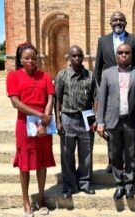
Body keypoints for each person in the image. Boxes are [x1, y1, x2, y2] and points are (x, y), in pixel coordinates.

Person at [6, 42, 55, 217]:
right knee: (25, 164)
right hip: (24, 123)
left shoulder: (45, 76)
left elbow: (50, 98)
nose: (30, 61)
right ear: (20, 59)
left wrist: (45, 118)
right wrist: (40, 115)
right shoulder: (13, 76)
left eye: (33, 58)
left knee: (41, 163)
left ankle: (41, 199)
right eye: (27, 58)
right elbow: (15, 102)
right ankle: (26, 200)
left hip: (44, 123)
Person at [94, 11, 135, 173]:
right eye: (115, 20)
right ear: (110, 23)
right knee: (112, 130)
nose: (118, 22)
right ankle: (112, 161)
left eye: (121, 20)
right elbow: (97, 68)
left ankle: (129, 162)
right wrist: (99, 94)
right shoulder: (103, 41)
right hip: (110, 90)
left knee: (129, 130)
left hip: (130, 88)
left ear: (126, 22)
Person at [96, 44, 135, 200]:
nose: (123, 55)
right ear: (116, 55)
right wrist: (100, 122)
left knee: (130, 154)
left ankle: (129, 184)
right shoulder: (107, 73)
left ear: (131, 55)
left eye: (127, 52)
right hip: (113, 121)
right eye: (120, 52)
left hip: (131, 121)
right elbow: (102, 99)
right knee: (114, 154)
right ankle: (119, 184)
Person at [55, 45, 97, 198]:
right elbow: (57, 99)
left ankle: (84, 183)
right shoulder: (62, 75)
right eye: (74, 56)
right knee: (67, 154)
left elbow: (96, 98)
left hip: (86, 117)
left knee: (86, 153)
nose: (77, 59)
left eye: (79, 56)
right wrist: (58, 120)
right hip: (68, 118)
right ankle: (69, 186)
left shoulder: (90, 76)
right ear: (69, 58)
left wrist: (96, 118)